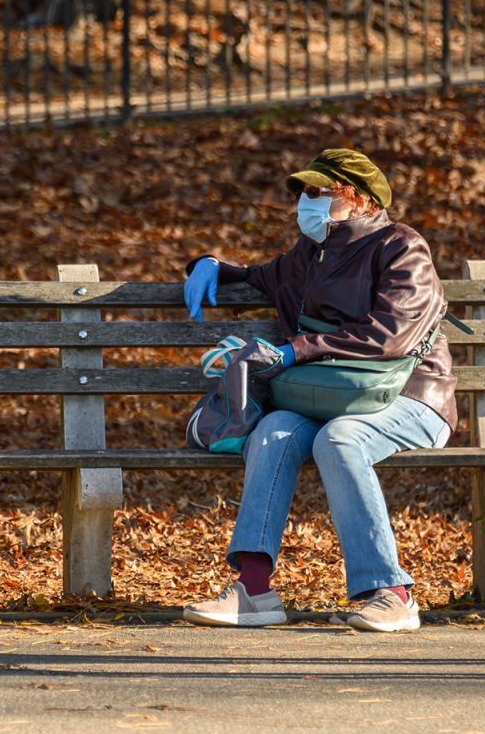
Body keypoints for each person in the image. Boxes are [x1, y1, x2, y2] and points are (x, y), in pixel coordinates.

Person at [180, 148, 456, 633]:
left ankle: (391, 593)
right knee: (274, 429)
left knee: (340, 439)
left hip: (410, 398)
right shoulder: (310, 254)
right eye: (303, 192)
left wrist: (294, 350)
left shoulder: (402, 248)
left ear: (361, 200)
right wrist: (208, 264)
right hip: (327, 398)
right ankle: (253, 590)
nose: (304, 203)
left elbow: (388, 336)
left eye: (316, 192)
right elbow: (257, 276)